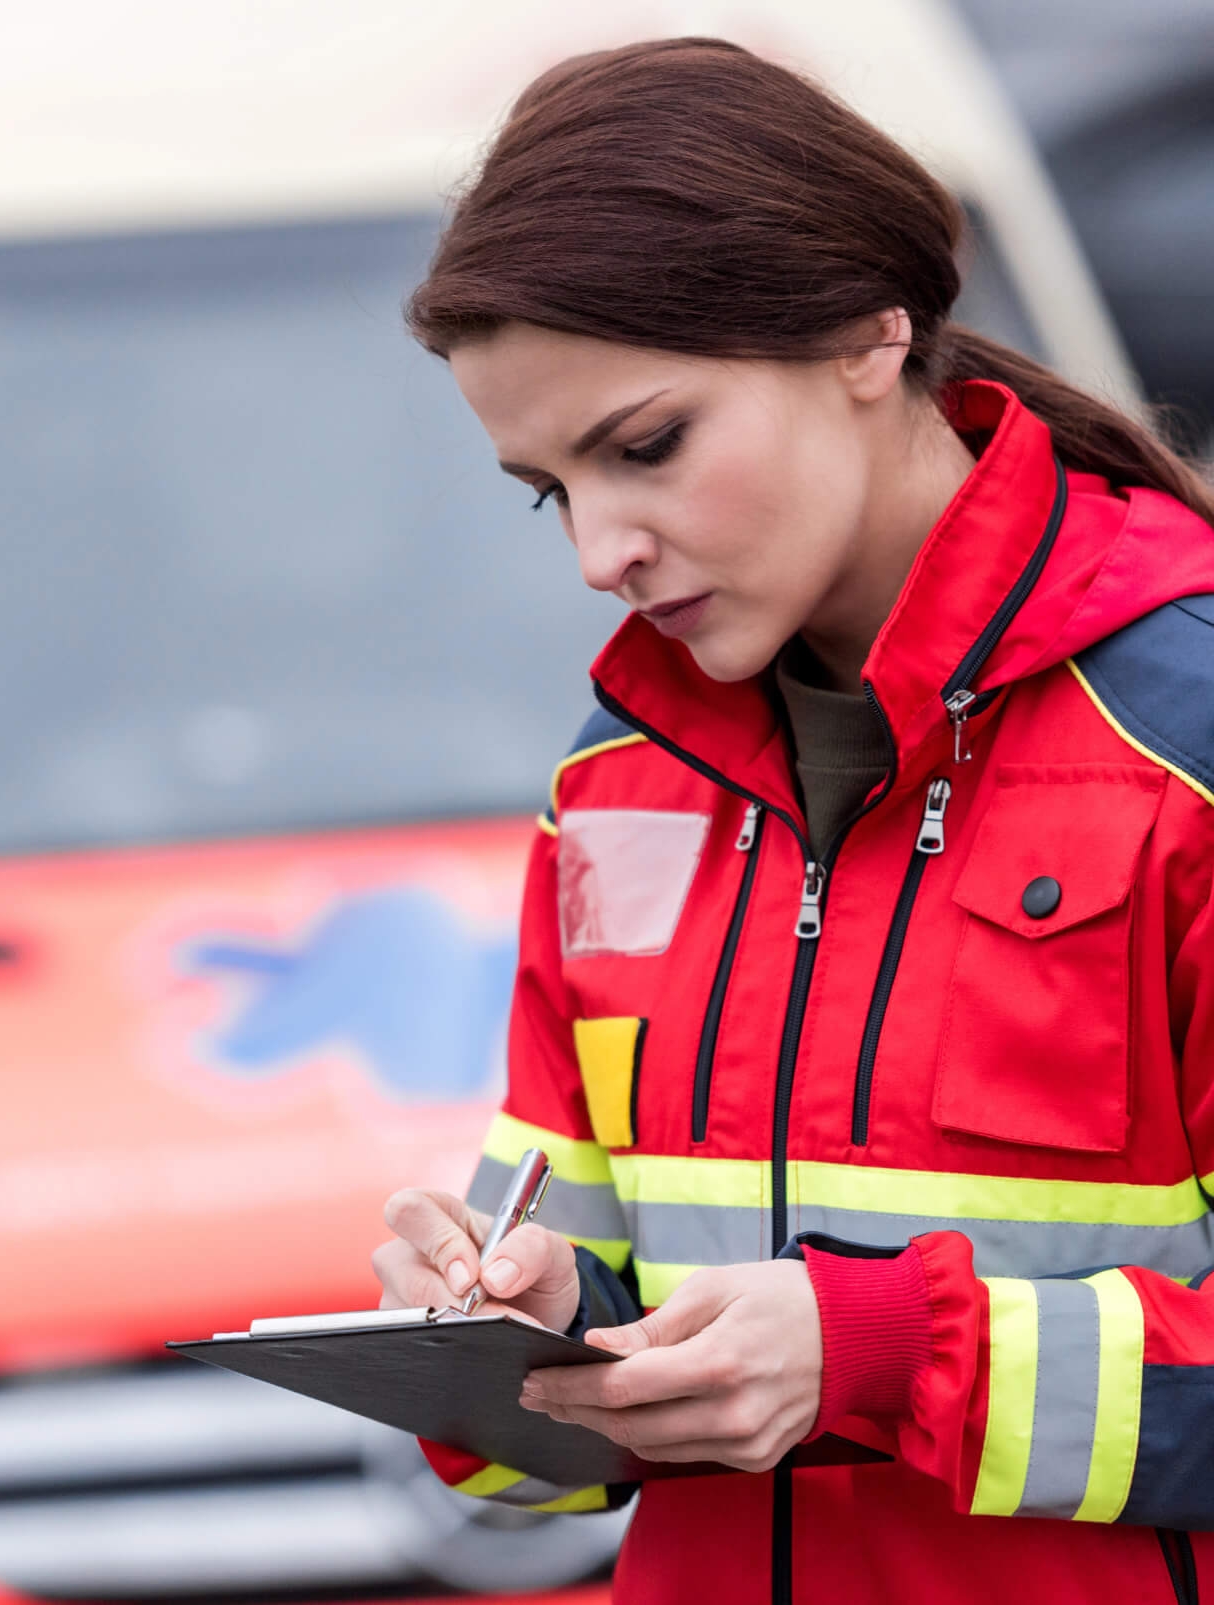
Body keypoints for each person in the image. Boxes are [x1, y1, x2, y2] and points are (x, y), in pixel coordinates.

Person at [369, 36, 1214, 1605]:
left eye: (646, 445)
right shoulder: (613, 788)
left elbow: (872, 1351)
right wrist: (513, 1325)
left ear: (866, 335)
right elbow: (549, 1442)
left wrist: (883, 1352)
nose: (600, 550)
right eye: (551, 488)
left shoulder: (1187, 748)